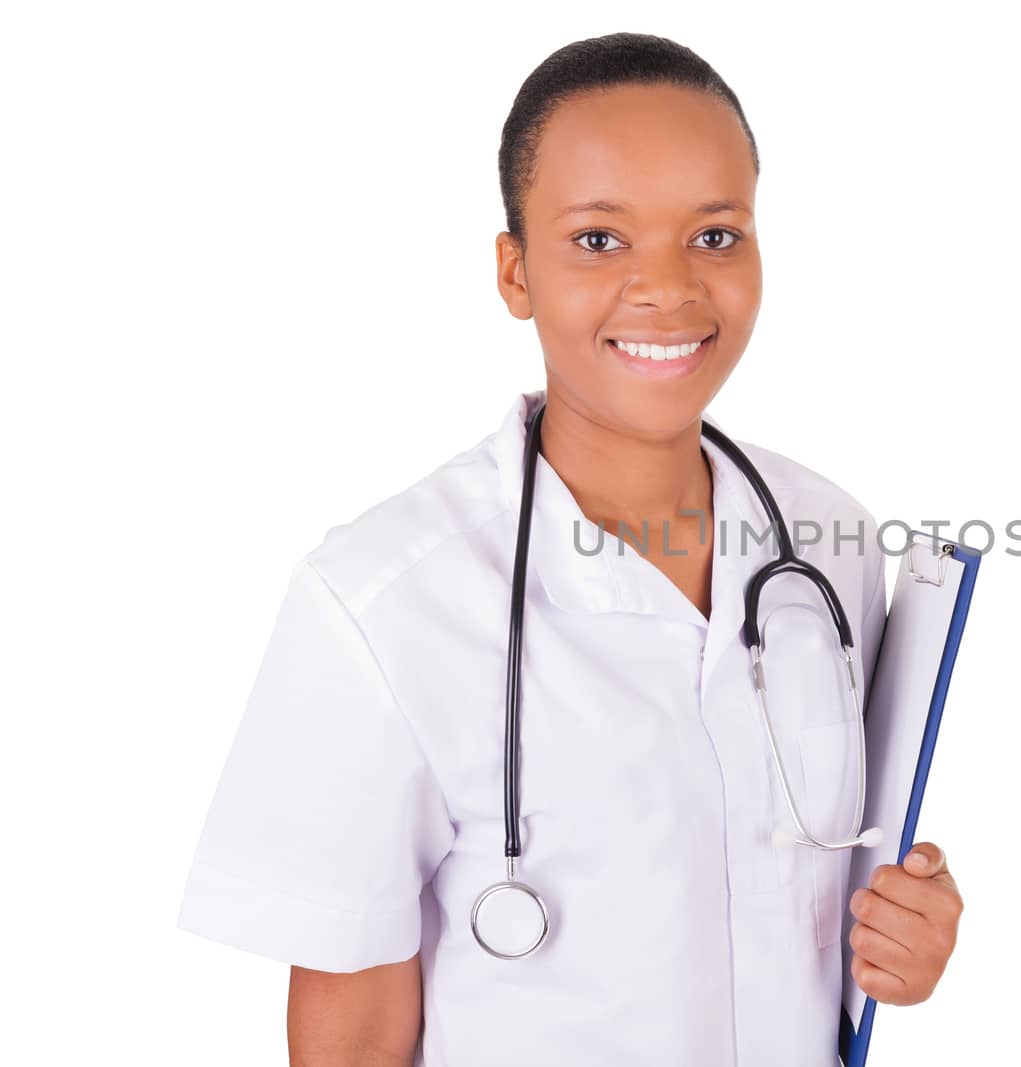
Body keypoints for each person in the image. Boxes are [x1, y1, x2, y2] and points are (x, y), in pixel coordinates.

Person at [176, 32, 962, 1066]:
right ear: (515, 272)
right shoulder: (382, 600)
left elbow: (823, 890)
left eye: (715, 236)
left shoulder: (832, 546)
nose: (667, 288)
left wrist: (908, 931)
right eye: (599, 240)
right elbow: (354, 1026)